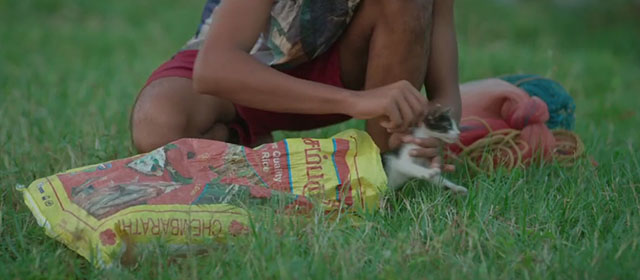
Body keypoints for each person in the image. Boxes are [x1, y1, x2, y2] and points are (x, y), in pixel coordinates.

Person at [130, 0, 461, 171]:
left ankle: (385, 166)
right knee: (156, 124)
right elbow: (214, 68)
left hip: (347, 63)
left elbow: (445, 93)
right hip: (245, 72)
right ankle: (242, 142)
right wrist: (353, 101)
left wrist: (435, 129)